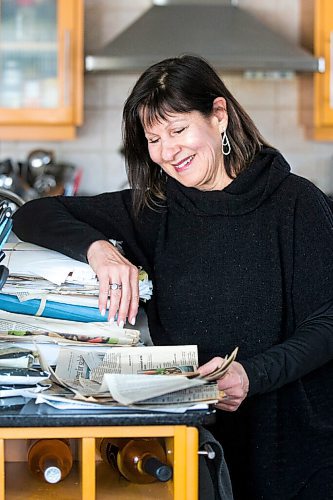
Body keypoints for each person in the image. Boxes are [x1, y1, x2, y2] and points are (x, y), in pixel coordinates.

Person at [13, 55, 333, 500]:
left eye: (178, 130)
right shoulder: (155, 209)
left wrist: (251, 375)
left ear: (218, 116)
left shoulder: (297, 203)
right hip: (191, 442)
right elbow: (33, 214)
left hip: (295, 449)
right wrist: (100, 249)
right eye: (153, 138)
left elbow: (327, 324)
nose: (167, 151)